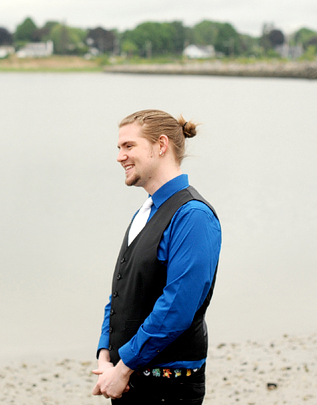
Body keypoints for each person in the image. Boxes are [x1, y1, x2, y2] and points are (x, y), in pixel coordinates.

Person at [92, 110, 222, 404]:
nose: (120, 156)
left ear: (161, 145)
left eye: (129, 146)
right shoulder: (145, 212)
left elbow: (178, 306)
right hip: (128, 379)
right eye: (119, 148)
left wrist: (124, 366)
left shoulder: (193, 216)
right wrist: (105, 355)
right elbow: (122, 290)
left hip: (167, 390)